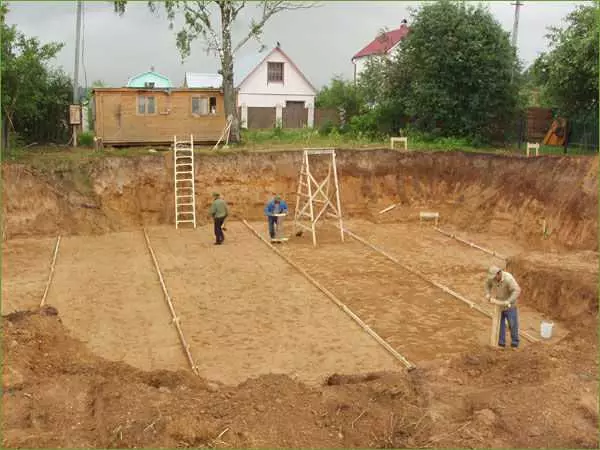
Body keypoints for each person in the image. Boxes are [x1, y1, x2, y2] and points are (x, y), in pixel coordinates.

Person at [485, 266, 521, 348]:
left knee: (512, 324)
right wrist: (488, 293)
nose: (493, 279)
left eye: (494, 277)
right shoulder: (492, 278)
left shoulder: (508, 279)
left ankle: (515, 343)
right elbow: (487, 284)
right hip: (499, 305)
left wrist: (508, 301)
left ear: (499, 273)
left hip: (510, 306)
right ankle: (501, 343)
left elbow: (517, 290)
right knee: (500, 324)